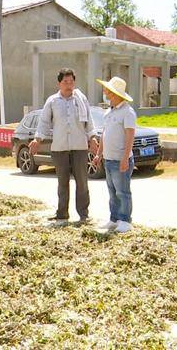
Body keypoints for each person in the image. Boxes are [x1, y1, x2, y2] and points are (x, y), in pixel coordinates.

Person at [30, 68, 98, 225]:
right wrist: (37, 139)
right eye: (65, 82)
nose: (69, 85)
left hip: (79, 146)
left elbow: (89, 120)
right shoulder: (52, 101)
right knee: (62, 182)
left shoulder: (81, 99)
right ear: (59, 83)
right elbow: (44, 122)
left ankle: (83, 214)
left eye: (71, 82)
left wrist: (92, 138)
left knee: (82, 181)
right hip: (60, 147)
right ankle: (62, 214)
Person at [92, 77, 137, 233]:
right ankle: (114, 218)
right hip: (109, 159)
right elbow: (104, 134)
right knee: (112, 191)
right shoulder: (108, 112)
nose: (106, 93)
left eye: (109, 91)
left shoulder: (128, 112)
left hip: (120, 159)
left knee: (122, 191)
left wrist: (125, 158)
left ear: (116, 94)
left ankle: (125, 220)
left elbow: (130, 135)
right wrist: (99, 154)